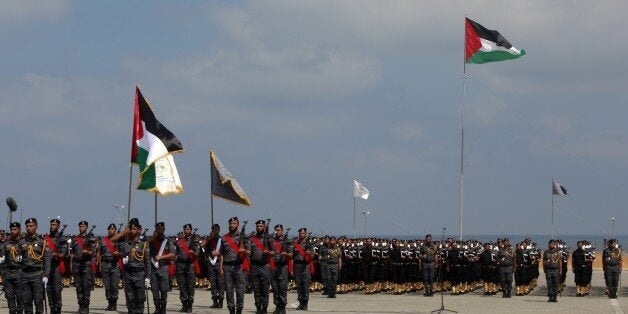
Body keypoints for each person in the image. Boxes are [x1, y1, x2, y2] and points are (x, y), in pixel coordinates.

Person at [117, 219, 151, 313]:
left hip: (139, 274)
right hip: (128, 274)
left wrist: (148, 277)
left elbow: (147, 261)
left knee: (140, 298)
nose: (132, 231)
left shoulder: (144, 245)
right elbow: (114, 241)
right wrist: (124, 261)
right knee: (129, 297)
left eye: (134, 229)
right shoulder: (125, 245)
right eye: (131, 229)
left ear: (138, 230)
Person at [20, 218, 52, 314]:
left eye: (31, 226)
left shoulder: (43, 242)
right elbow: (18, 257)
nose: (28, 228)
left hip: (37, 274)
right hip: (25, 274)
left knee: (38, 301)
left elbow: (47, 260)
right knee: (27, 302)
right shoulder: (21, 242)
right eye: (27, 226)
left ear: (36, 227)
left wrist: (46, 275)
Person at [220, 217, 250, 314]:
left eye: (234, 223)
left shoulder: (243, 237)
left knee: (240, 290)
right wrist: (221, 268)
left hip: (239, 267)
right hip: (227, 267)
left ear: (238, 225)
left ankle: (239, 310)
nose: (232, 225)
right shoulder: (224, 238)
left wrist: (244, 250)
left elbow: (249, 252)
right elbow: (221, 254)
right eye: (230, 223)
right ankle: (231, 310)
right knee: (229, 291)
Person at [249, 220, 275, 314]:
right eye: (257, 226)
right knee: (256, 288)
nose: (259, 228)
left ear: (264, 227)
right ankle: (258, 307)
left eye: (261, 226)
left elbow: (274, 252)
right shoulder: (252, 239)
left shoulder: (269, 239)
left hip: (265, 266)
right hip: (254, 265)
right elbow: (249, 252)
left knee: (265, 288)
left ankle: (264, 308)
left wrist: (269, 252)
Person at [149, 222, 176, 314]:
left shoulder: (167, 241)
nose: (159, 230)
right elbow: (144, 246)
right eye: (157, 229)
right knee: (154, 290)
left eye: (160, 229)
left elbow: (172, 253)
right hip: (153, 268)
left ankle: (163, 308)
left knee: (164, 289)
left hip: (163, 267)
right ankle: (157, 308)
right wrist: (152, 237)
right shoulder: (152, 241)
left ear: (164, 229)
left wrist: (161, 257)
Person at [70, 221, 95, 314]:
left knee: (86, 287)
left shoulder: (91, 238)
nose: (81, 228)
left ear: (86, 227)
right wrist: (71, 264)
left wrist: (88, 252)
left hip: (86, 265)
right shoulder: (75, 239)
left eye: (83, 226)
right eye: (80, 226)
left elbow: (93, 251)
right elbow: (72, 252)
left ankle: (86, 306)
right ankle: (80, 306)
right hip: (77, 265)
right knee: (78, 287)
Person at [175, 223, 200, 312]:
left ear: (191, 230)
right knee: (182, 285)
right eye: (185, 229)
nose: (186, 231)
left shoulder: (195, 240)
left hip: (190, 265)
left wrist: (193, 252)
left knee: (190, 285)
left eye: (188, 229)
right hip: (180, 265)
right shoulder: (179, 241)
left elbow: (198, 253)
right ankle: (184, 304)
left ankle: (190, 304)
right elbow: (176, 253)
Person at [44, 218, 67, 314]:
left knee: (57, 290)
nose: (52, 226)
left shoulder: (62, 238)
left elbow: (63, 254)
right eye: (51, 224)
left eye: (54, 225)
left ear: (58, 226)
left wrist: (56, 255)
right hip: (47, 267)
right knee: (49, 290)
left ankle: (58, 309)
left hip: (56, 266)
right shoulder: (46, 238)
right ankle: (52, 308)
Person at [1, 222, 24, 314]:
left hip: (19, 272)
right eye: (11, 230)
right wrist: (3, 273)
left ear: (19, 230)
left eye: (15, 229)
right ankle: (12, 311)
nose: (13, 231)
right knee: (9, 296)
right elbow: (2, 260)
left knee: (20, 295)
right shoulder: (6, 244)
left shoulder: (23, 243)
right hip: (8, 272)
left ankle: (20, 311)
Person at [98, 223, 122, 311]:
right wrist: (100, 265)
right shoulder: (103, 240)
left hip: (114, 265)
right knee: (107, 286)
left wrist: (118, 253)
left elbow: (122, 252)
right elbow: (100, 254)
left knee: (114, 286)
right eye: (109, 229)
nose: (111, 231)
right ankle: (109, 304)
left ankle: (114, 304)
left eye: (112, 229)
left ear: (115, 230)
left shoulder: (118, 240)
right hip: (105, 264)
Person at [270, 224, 292, 314]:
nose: (277, 232)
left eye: (279, 230)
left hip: (283, 266)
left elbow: (291, 255)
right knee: (275, 288)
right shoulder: (271, 241)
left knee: (282, 287)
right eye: (276, 230)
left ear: (282, 231)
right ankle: (277, 305)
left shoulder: (287, 241)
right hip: (274, 266)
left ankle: (282, 307)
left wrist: (286, 254)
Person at [202, 223, 225, 309]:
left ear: (219, 230)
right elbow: (202, 245)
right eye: (213, 229)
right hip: (210, 264)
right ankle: (215, 301)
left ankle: (221, 301)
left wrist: (221, 267)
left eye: (216, 229)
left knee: (220, 283)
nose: (214, 231)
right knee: (213, 284)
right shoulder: (209, 239)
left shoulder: (221, 240)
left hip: (219, 263)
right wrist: (209, 238)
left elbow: (223, 253)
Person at [293, 228, 314, 310]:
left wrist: (309, 254)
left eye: (303, 233)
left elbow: (312, 256)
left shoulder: (309, 244)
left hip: (305, 266)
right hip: (297, 265)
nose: (301, 234)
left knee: (305, 285)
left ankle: (305, 303)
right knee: (298, 285)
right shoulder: (295, 244)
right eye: (300, 233)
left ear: (305, 234)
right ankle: (300, 302)